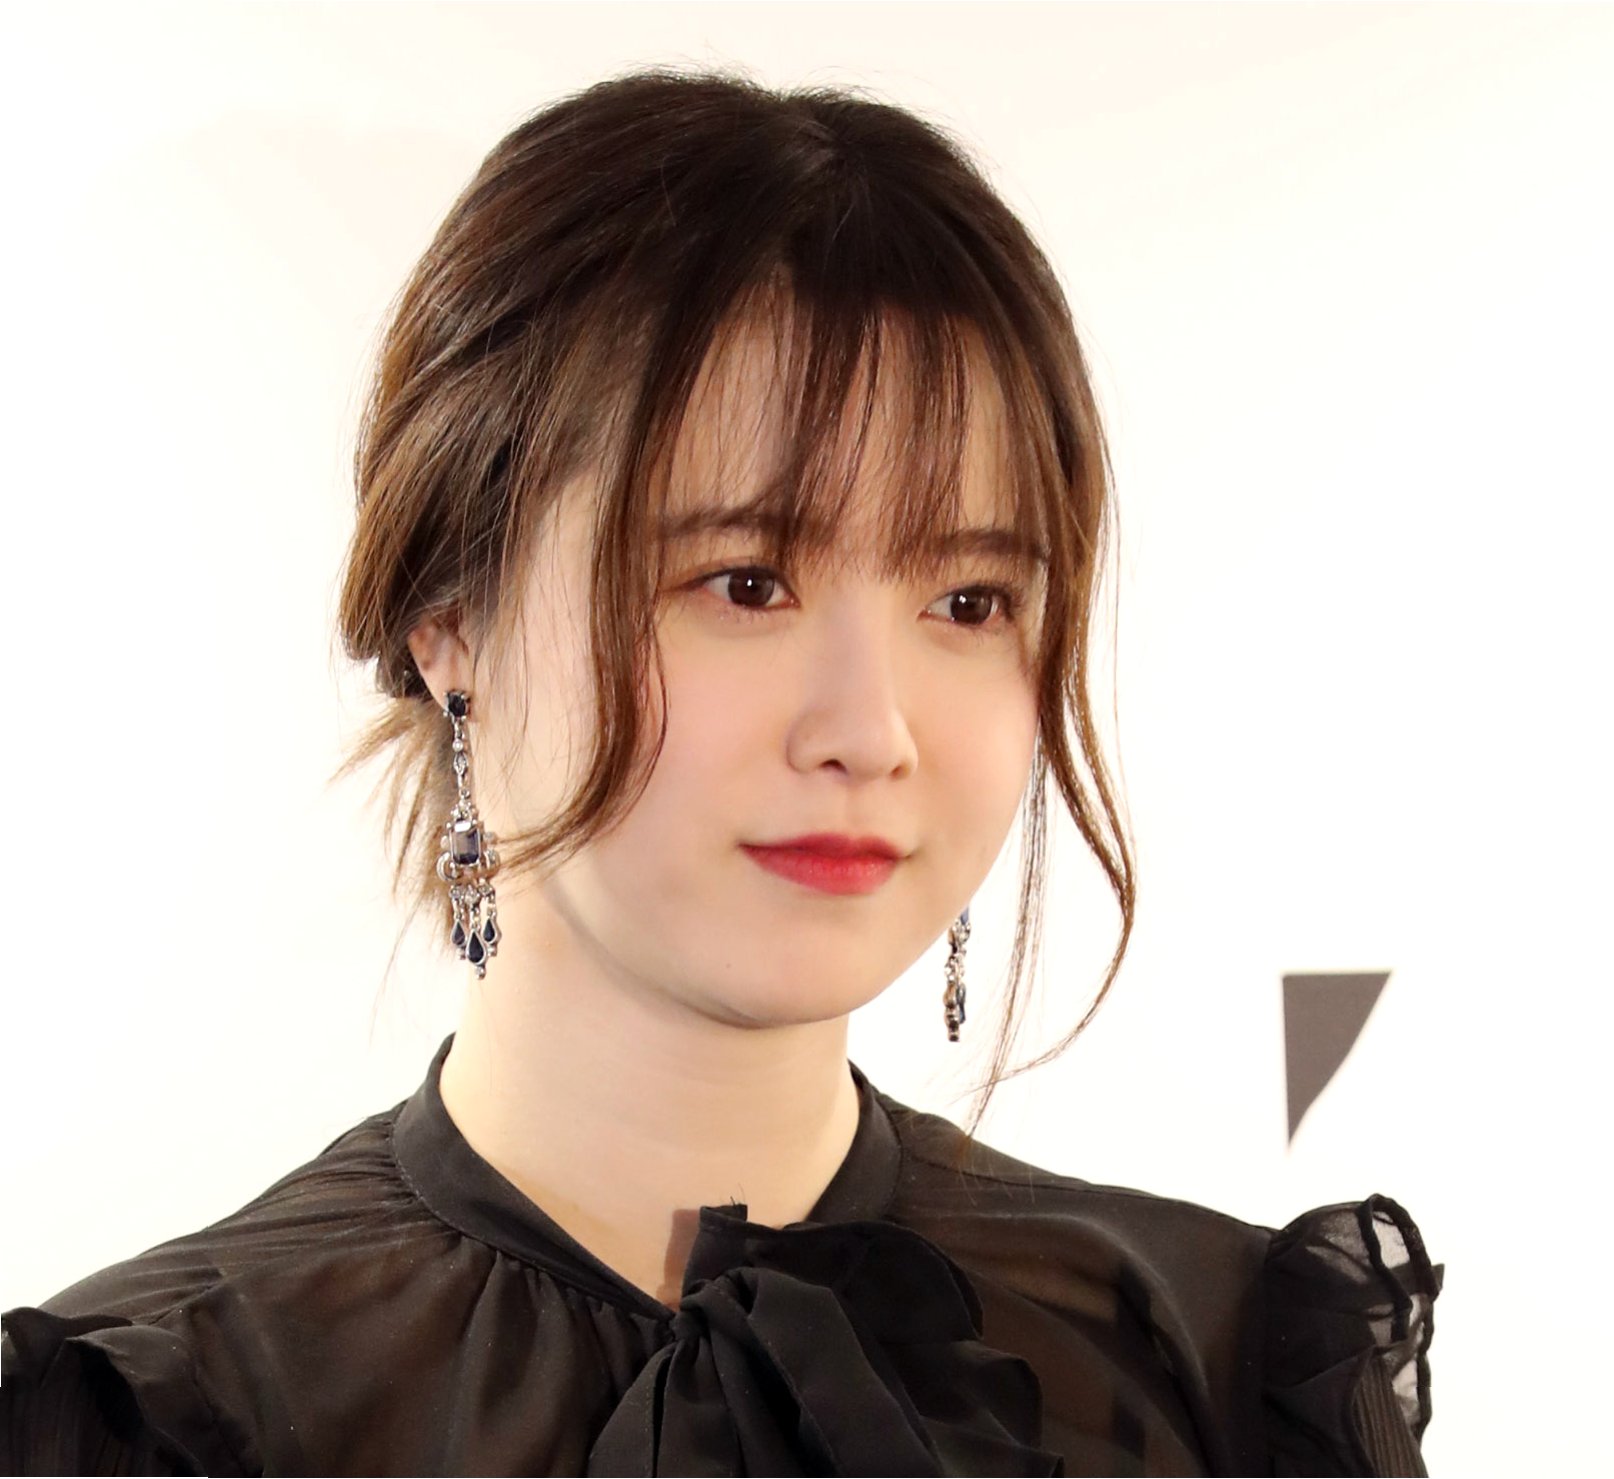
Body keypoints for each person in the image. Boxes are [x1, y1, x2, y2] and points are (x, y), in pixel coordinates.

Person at [0, 68, 1443, 1477]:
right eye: (745, 582)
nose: (872, 730)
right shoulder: (152, 1422)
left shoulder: (1212, 1370)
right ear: (452, 620)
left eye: (969, 602)